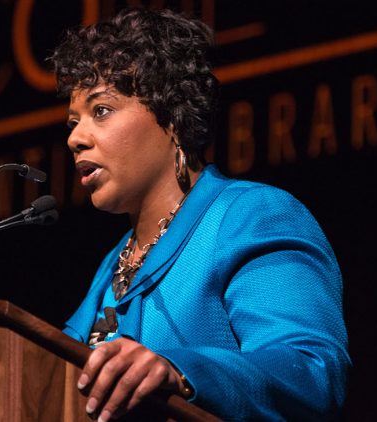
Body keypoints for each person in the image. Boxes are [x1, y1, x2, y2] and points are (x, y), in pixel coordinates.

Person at [50, 8, 350, 421]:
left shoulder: (249, 217)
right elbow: (53, 376)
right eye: (73, 122)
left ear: (172, 116)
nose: (75, 138)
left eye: (100, 110)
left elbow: (310, 372)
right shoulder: (112, 266)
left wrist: (180, 372)